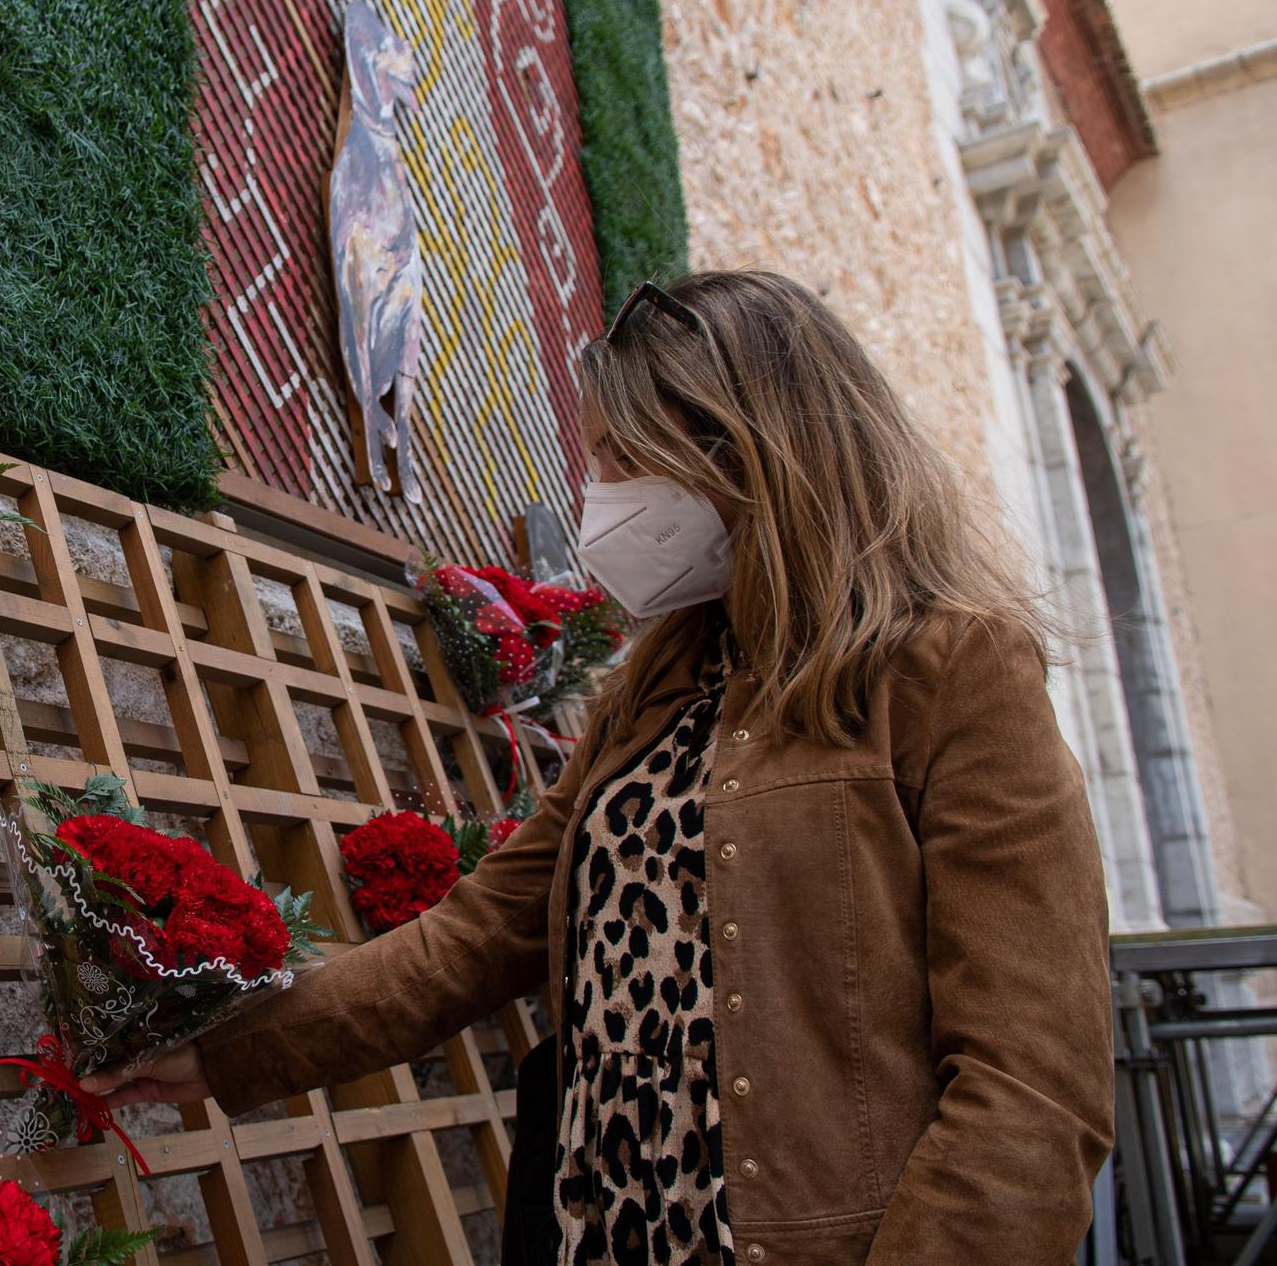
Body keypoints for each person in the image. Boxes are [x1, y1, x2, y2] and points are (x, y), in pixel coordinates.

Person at [83, 271, 1114, 1265]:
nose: (598, 495)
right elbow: (474, 938)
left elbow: (1029, 1089)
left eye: (623, 457)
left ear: (743, 454)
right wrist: (223, 1049)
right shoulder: (657, 694)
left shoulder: (946, 670)